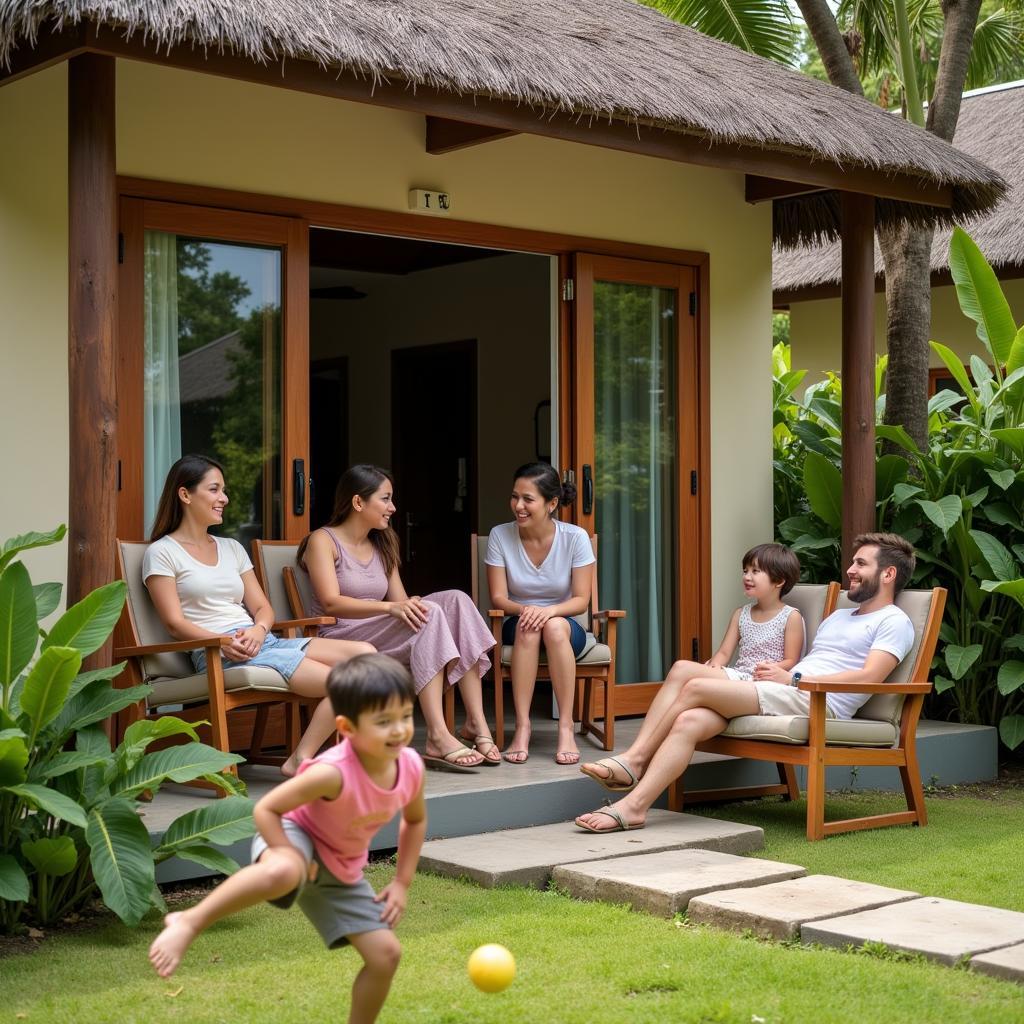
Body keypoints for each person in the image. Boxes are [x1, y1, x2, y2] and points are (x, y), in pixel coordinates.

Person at [575, 532, 917, 833]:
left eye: (860, 564)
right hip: (789, 692)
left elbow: (869, 677)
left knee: (693, 686)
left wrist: (795, 677)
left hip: (821, 701)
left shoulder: (894, 622)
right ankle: (634, 808)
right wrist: (790, 678)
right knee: (689, 720)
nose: (850, 571)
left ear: (888, 574)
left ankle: (634, 761)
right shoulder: (840, 616)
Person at [149, 654, 426, 1024]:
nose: (398, 730)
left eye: (405, 716)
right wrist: (292, 857)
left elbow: (415, 820)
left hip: (340, 863)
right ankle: (189, 922)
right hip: (294, 833)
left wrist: (402, 882)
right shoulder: (331, 774)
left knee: (385, 956)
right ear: (347, 728)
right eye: (383, 722)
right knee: (284, 871)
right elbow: (266, 810)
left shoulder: (409, 767)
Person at [143, 454, 374, 776]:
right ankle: (302, 760)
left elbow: (263, 608)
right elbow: (174, 623)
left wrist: (258, 629)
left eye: (223, 490)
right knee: (344, 685)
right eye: (214, 489)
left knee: (367, 657)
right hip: (219, 652)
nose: (224, 498)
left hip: (260, 640)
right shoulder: (162, 552)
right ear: (185, 494)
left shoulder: (231, 548)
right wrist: (223, 641)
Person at [299, 465, 497, 773]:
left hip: (380, 633)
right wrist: (390, 609)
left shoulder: (382, 544)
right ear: (358, 502)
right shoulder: (322, 540)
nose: (393, 508)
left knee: (456, 600)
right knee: (429, 614)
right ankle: (437, 734)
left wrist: (400, 608)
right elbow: (330, 602)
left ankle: (477, 723)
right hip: (340, 638)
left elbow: (403, 602)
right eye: (386, 499)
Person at [580, 542, 804, 790]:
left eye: (755, 571)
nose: (747, 577)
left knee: (683, 671)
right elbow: (723, 653)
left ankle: (634, 758)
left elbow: (792, 660)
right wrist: (714, 666)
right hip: (737, 676)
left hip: (762, 683)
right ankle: (635, 757)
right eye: (745, 571)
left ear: (779, 581)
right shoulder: (741, 613)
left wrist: (777, 668)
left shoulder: (790, 616)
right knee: (681, 668)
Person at [485, 462, 595, 765]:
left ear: (552, 503)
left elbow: (581, 600)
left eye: (528, 499)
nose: (518, 506)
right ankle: (522, 726)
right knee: (528, 626)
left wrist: (548, 612)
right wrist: (528, 611)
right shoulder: (500, 535)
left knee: (554, 627)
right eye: (514, 497)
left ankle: (566, 728)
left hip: (565, 623)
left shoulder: (575, 538)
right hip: (518, 621)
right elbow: (498, 597)